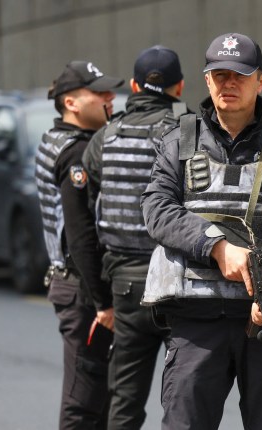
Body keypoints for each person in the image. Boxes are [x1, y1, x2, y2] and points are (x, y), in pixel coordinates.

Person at [140, 32, 262, 430]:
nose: (229, 83)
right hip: (196, 320)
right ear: (207, 81)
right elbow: (156, 208)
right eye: (220, 75)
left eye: (240, 75)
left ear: (260, 81)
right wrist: (215, 246)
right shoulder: (178, 141)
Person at [82, 45, 192, 430]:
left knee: (125, 401)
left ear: (133, 86)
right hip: (180, 281)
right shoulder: (189, 129)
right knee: (184, 401)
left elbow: (92, 207)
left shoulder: (105, 137)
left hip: (126, 285)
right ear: (179, 86)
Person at [35, 61, 123, 429]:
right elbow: (81, 234)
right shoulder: (76, 152)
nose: (110, 97)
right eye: (99, 92)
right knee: (84, 405)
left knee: (96, 400)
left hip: (71, 284)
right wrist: (103, 302)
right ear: (70, 103)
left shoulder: (55, 137)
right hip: (84, 291)